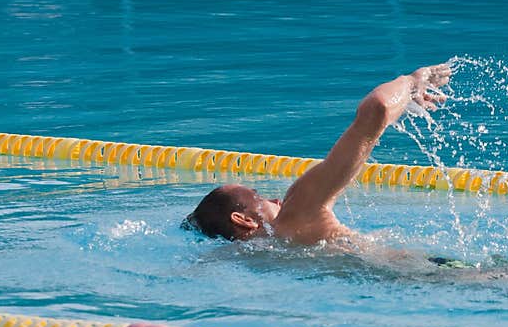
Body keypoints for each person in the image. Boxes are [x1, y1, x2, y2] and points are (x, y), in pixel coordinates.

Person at [184, 64, 451, 246]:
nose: (275, 198)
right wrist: (411, 82)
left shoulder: (247, 259)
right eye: (258, 196)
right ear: (243, 220)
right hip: (434, 273)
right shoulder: (296, 211)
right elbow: (376, 109)